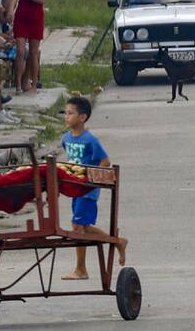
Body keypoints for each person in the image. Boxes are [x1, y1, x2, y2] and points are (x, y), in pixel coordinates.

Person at [60, 96, 127, 280]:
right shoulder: (65, 139)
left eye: (70, 113)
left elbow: (105, 161)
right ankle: (117, 241)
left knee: (78, 226)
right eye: (65, 113)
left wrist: (91, 178)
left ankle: (81, 269)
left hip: (87, 190)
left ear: (82, 117)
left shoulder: (90, 140)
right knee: (82, 226)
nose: (66, 117)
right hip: (74, 188)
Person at [13, 0, 49, 95]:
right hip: (21, 19)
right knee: (20, 51)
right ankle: (18, 84)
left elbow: (41, 0)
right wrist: (10, 11)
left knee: (34, 53)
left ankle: (33, 84)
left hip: (36, 20)